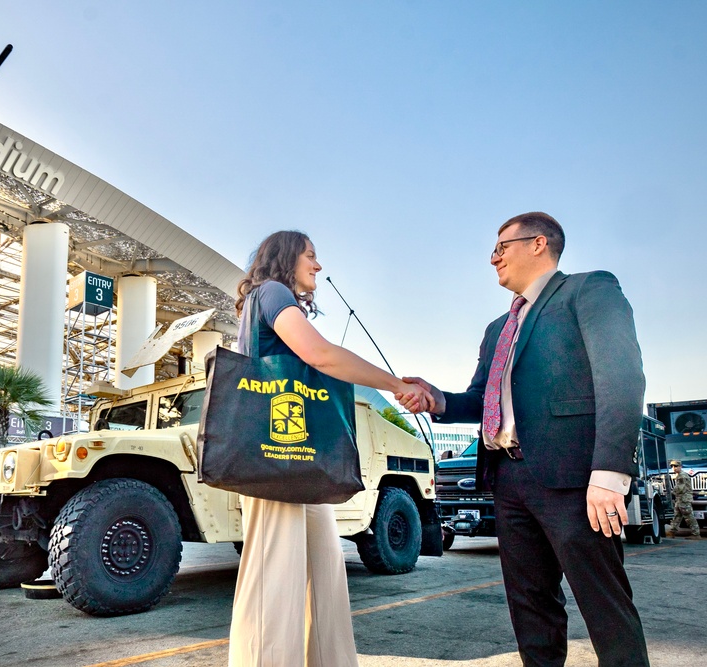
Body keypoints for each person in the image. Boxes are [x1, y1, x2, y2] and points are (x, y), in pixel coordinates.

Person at [398, 212, 650, 667]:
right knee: (530, 607)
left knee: (605, 606)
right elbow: (480, 398)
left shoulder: (589, 290)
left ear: (538, 244)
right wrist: (437, 399)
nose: (493, 258)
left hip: (575, 480)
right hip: (509, 480)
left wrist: (610, 473)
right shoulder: (498, 327)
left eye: (501, 247)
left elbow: (621, 377)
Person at [228, 230, 432, 667]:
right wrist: (396, 384)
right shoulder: (271, 291)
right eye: (311, 256)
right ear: (286, 258)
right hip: (276, 460)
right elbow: (318, 354)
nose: (318, 266)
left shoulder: (267, 299)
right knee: (273, 583)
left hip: (298, 460)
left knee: (324, 575)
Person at [668, 459, 702, 538]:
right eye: (672, 466)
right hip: (680, 498)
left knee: (688, 516)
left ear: (680, 466)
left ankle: (696, 534)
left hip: (684, 498)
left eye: (676, 466)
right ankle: (672, 531)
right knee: (677, 516)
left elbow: (680, 488)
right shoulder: (679, 475)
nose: (674, 468)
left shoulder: (682, 476)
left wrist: (672, 492)